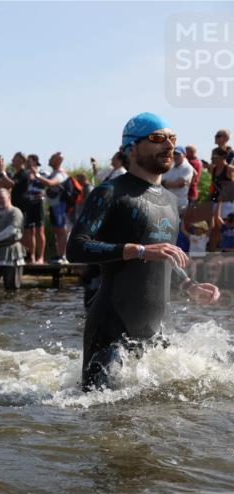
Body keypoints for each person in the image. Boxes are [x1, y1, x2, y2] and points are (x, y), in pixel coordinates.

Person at [67, 112, 221, 391]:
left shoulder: (172, 201)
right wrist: (138, 250)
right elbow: (76, 247)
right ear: (131, 148)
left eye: (172, 138)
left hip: (157, 329)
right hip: (111, 328)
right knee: (97, 415)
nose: (168, 145)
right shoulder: (110, 193)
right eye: (157, 138)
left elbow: (164, 259)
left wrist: (189, 286)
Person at [32, 152, 70, 263]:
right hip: (54, 206)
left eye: (52, 158)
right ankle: (60, 255)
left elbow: (51, 183)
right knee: (57, 231)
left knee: (62, 230)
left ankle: (64, 256)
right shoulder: (54, 172)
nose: (49, 159)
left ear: (57, 160)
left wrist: (37, 176)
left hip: (60, 206)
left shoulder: (61, 173)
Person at [0, 188, 25, 290]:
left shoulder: (15, 212)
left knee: (12, 288)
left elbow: (12, 229)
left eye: (2, 198)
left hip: (11, 252)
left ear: (9, 197)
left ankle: (11, 306)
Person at [21, 155, 47, 264]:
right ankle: (31, 256)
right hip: (28, 204)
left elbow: (43, 186)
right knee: (29, 231)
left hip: (39, 203)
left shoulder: (43, 172)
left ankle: (40, 257)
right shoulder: (26, 175)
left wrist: (35, 174)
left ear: (35, 161)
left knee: (40, 231)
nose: (26, 163)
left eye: (29, 161)